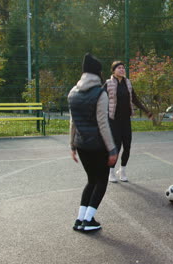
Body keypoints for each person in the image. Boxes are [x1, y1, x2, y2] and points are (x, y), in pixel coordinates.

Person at [68, 53, 118, 231]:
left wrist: (72, 145)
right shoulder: (100, 93)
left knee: (91, 180)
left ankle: (80, 219)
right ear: (98, 73)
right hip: (98, 146)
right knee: (101, 181)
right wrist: (112, 150)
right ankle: (88, 221)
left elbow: (72, 122)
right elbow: (103, 124)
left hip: (81, 145)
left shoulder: (73, 92)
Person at [105, 61, 153, 183]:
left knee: (127, 145)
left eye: (123, 68)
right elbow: (100, 98)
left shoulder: (128, 83)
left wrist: (146, 111)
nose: (122, 69)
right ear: (113, 70)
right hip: (113, 120)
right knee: (116, 146)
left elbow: (135, 99)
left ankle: (123, 170)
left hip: (126, 120)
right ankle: (111, 172)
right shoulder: (108, 83)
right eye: (119, 68)